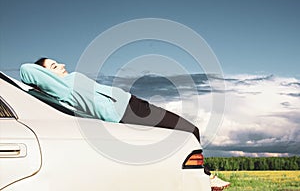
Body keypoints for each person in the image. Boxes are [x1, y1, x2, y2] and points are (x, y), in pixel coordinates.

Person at [20, 57, 230, 190]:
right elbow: (26, 69)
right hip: (127, 113)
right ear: (45, 76)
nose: (63, 65)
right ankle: (207, 178)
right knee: (190, 131)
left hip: (132, 105)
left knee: (176, 140)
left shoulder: (64, 85)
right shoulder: (60, 88)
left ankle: (196, 179)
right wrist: (47, 73)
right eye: (55, 66)